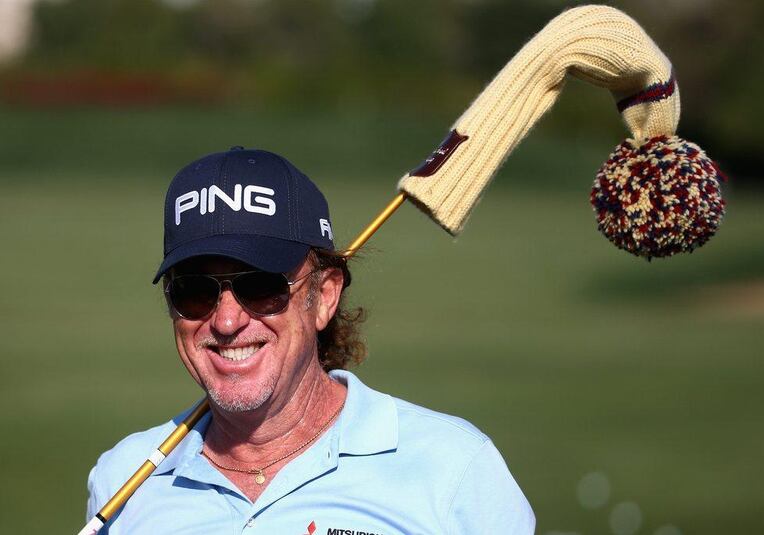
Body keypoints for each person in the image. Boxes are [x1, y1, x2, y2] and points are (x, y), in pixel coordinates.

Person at [86, 146, 535, 533]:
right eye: (194, 291)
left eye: (261, 286)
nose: (225, 321)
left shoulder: (455, 470)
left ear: (323, 296)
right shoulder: (123, 480)